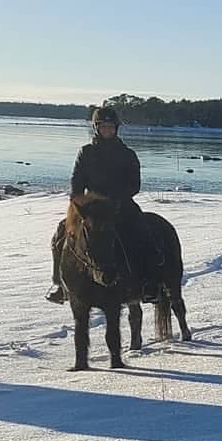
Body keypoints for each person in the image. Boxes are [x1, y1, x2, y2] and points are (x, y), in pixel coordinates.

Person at [46, 105, 159, 302]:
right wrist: (78, 203)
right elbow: (77, 181)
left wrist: (116, 199)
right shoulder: (86, 152)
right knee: (59, 235)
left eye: (111, 126)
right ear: (97, 128)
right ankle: (60, 284)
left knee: (144, 233)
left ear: (116, 129)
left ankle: (149, 283)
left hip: (121, 206)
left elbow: (134, 185)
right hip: (92, 209)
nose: (107, 130)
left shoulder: (128, 154)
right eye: (104, 126)